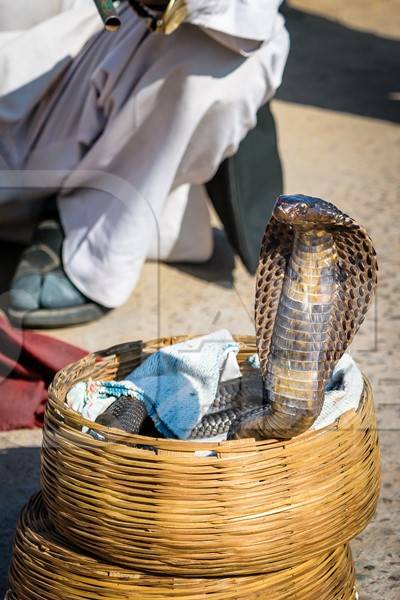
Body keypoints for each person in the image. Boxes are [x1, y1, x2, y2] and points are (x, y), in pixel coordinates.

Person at [0, 0, 289, 327]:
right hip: (25, 55)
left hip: (125, 48)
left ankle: (97, 228)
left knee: (218, 57)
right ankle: (83, 208)